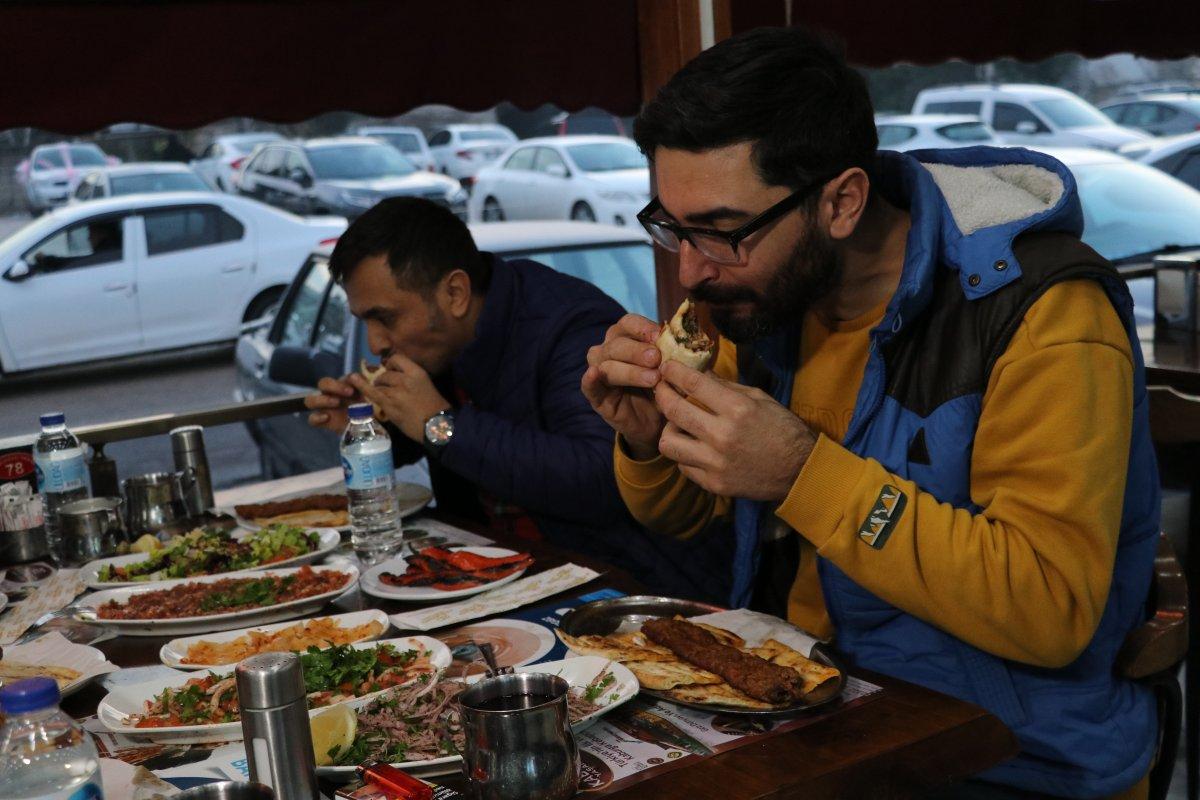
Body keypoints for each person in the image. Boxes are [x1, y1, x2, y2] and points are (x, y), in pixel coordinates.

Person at [582, 27, 1159, 800]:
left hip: (1007, 759)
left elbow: (1050, 609)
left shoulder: (1044, 316)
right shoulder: (764, 303)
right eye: (672, 228)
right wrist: (649, 440)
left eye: (721, 233)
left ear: (843, 202)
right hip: (818, 727)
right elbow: (687, 514)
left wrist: (801, 472)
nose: (689, 269)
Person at [304, 197, 726, 599]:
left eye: (385, 317)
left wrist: (439, 424)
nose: (375, 342)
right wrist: (377, 427)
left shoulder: (569, 327)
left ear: (455, 293)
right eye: (365, 321)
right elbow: (471, 442)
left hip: (629, 586)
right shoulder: (441, 350)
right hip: (498, 581)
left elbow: (602, 481)